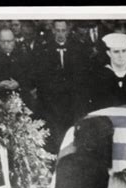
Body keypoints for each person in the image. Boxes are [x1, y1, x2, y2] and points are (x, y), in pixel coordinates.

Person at [34, 20, 89, 154]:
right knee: (56, 137)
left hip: (73, 102)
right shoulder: (44, 49)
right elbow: (41, 77)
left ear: (68, 31)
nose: (60, 34)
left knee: (73, 135)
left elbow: (82, 75)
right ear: (53, 31)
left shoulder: (78, 48)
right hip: (53, 104)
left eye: (63, 30)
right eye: (57, 30)